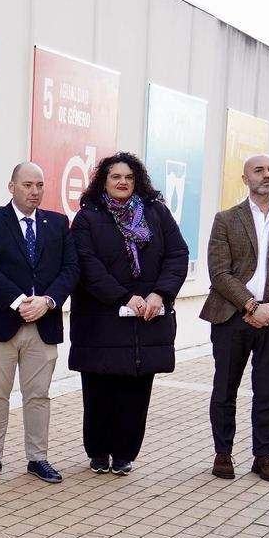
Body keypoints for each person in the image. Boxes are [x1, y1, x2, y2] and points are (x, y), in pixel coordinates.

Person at [69, 151, 188, 475]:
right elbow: (88, 266)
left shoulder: (156, 214)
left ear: (138, 181)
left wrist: (158, 293)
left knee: (135, 395)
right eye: (115, 177)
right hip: (101, 322)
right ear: (103, 182)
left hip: (146, 322)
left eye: (128, 177)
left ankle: (124, 454)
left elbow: (178, 255)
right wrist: (125, 297)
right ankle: (98, 452)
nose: (122, 182)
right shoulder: (88, 218)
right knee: (99, 393)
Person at [200, 153, 269, 482]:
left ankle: (263, 456)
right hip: (232, 316)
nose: (267, 175)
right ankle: (223, 453)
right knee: (225, 388)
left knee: (267, 392)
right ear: (245, 178)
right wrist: (250, 305)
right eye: (259, 170)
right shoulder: (226, 220)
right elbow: (219, 273)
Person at [0, 161, 78, 483]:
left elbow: (70, 269)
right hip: (0, 323)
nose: (35, 191)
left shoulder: (58, 224)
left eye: (40, 185)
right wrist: (19, 301)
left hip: (43, 324)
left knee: (38, 395)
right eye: (28, 185)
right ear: (12, 186)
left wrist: (47, 301)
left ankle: (38, 458)